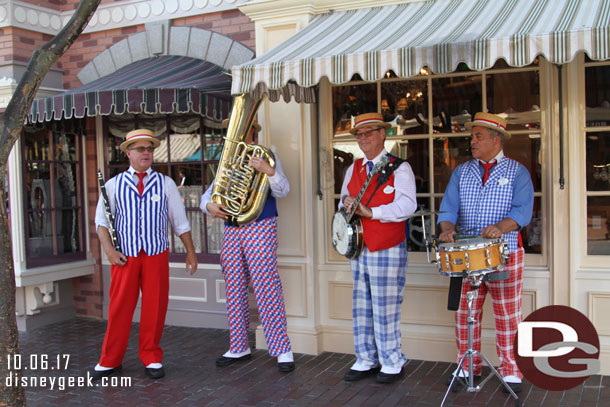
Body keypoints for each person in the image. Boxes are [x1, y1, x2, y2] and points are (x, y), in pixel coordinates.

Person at [437, 112, 534, 394]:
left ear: (496, 139)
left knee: (507, 315)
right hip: (467, 255)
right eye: (472, 136)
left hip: (506, 252)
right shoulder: (461, 171)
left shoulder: (518, 172)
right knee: (466, 314)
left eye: (478, 136)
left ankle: (512, 369)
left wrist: (501, 227)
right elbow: (448, 208)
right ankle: (468, 365)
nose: (472, 141)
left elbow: (522, 211)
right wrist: (446, 229)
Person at [93, 129, 198, 380]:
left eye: (149, 149)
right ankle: (110, 360)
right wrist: (109, 251)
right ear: (128, 153)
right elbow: (101, 223)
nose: (146, 153)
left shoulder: (166, 184)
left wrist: (191, 253)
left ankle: (151, 357)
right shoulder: (113, 185)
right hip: (124, 256)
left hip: (155, 253)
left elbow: (180, 223)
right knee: (119, 308)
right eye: (140, 149)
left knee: (155, 307)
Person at [200, 120, 295, 373]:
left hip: (260, 224)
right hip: (232, 227)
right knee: (234, 286)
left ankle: (281, 348)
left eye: (244, 128)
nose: (240, 132)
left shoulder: (267, 155)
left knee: (266, 284)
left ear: (253, 131)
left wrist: (269, 170)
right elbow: (210, 194)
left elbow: (284, 190)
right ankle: (239, 345)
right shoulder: (228, 160)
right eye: (236, 129)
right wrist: (208, 205)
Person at [339, 112, 417, 384]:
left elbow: (408, 206)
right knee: (361, 304)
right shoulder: (353, 168)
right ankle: (365, 358)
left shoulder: (399, 167)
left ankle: (392, 361)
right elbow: (342, 203)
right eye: (359, 134)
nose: (363, 138)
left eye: (369, 132)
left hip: (386, 245)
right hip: (359, 246)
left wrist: (372, 212)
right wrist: (347, 206)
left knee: (385, 305)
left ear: (383, 134)